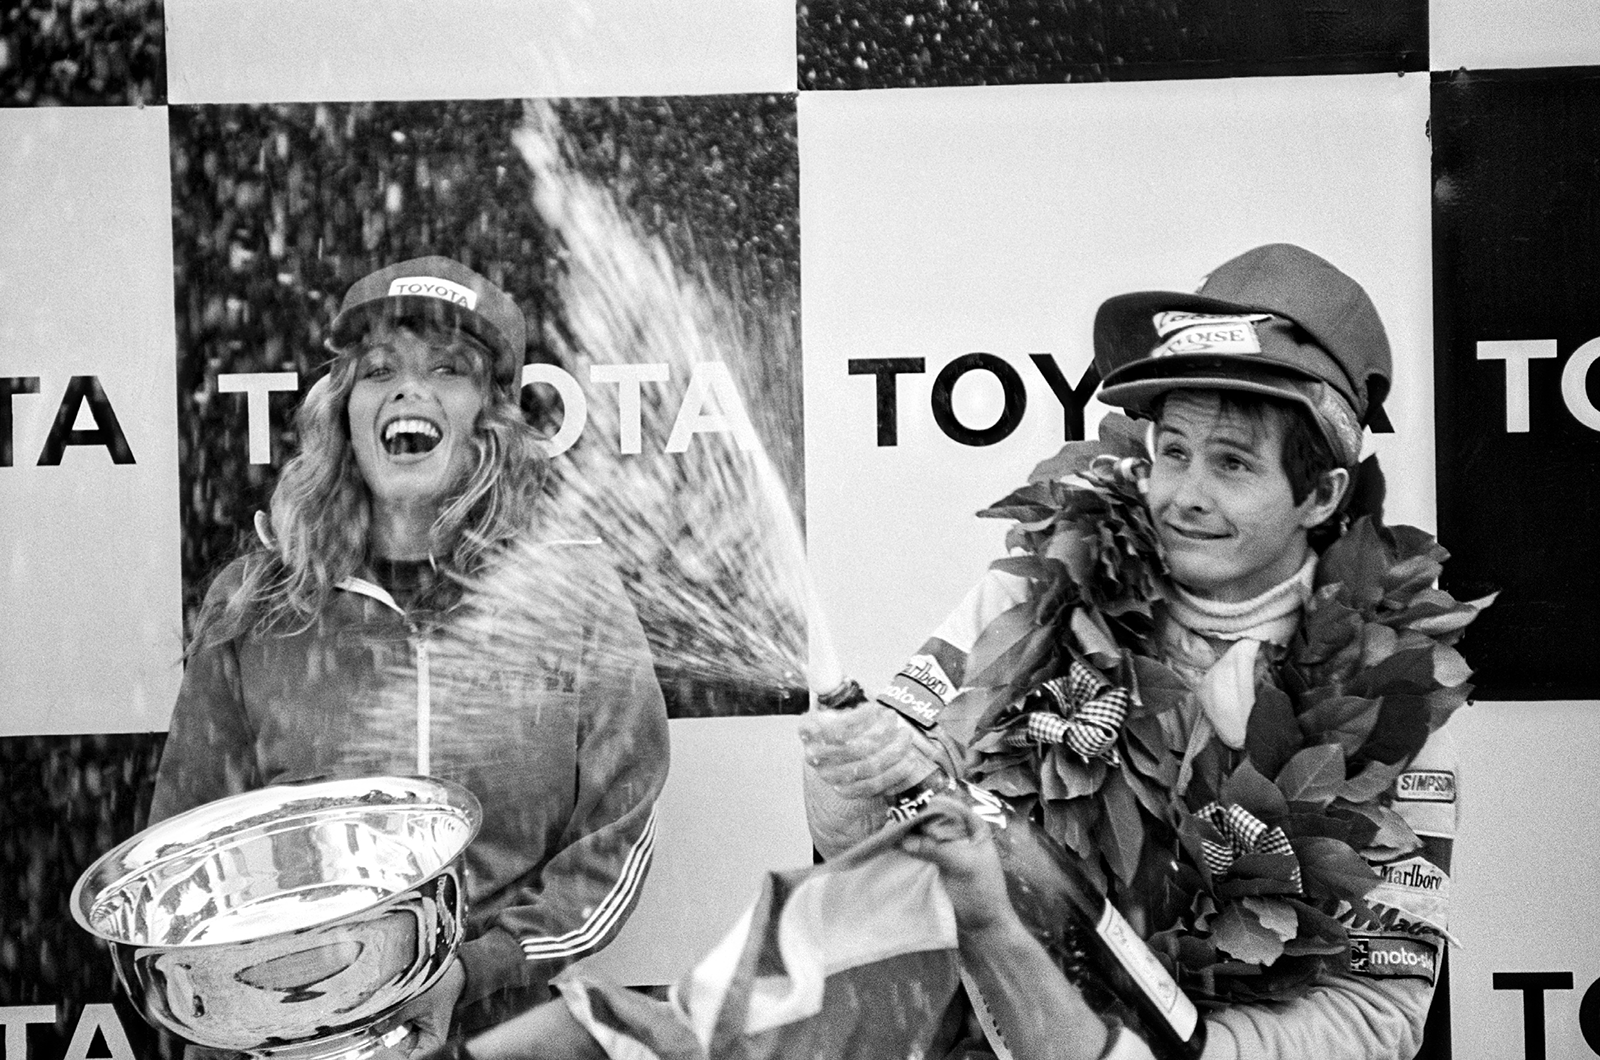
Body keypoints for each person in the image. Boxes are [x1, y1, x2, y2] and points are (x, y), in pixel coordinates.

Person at [801, 244, 1486, 1060]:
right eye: (1173, 451)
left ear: (1321, 494)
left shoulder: (1390, 692)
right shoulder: (1036, 591)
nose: (1185, 494)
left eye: (1232, 463)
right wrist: (846, 785)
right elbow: (880, 841)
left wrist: (1151, 1058)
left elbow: (1378, 1013)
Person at [150, 256, 671, 1048]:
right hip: (302, 1035)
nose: (408, 389)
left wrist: (473, 967)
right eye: (378, 370)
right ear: (344, 410)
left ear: (489, 417)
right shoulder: (257, 602)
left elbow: (617, 832)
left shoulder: (570, 591)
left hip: (505, 1028)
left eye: (449, 371)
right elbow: (183, 859)